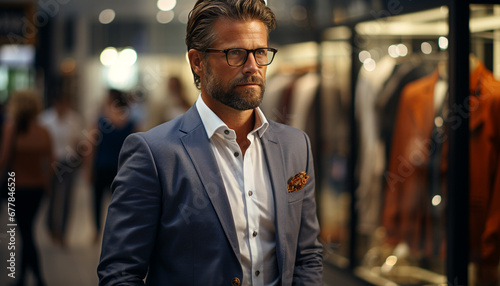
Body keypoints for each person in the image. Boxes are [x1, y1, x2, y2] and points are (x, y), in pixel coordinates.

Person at [98, 0, 323, 285]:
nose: (253, 67)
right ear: (197, 62)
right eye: (236, 53)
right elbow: (120, 273)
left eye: (261, 52)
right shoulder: (154, 153)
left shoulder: (295, 145)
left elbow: (306, 255)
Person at [0, 90, 53, 286]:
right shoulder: (44, 131)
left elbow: (4, 159)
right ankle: (25, 278)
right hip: (38, 189)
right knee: (27, 231)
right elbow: (51, 162)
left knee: (26, 233)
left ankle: (37, 278)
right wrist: (48, 186)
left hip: (17, 187)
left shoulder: (11, 129)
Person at [85, 89, 137, 242]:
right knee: (120, 202)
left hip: (101, 166)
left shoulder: (101, 121)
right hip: (122, 168)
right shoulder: (130, 122)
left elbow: (91, 146)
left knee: (97, 200)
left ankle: (96, 231)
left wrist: (88, 168)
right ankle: (118, 230)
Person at [39, 92, 83, 246]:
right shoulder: (45, 119)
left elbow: (78, 142)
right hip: (51, 162)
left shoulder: (74, 119)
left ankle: (63, 232)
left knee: (67, 198)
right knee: (51, 196)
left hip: (68, 162)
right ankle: (51, 227)